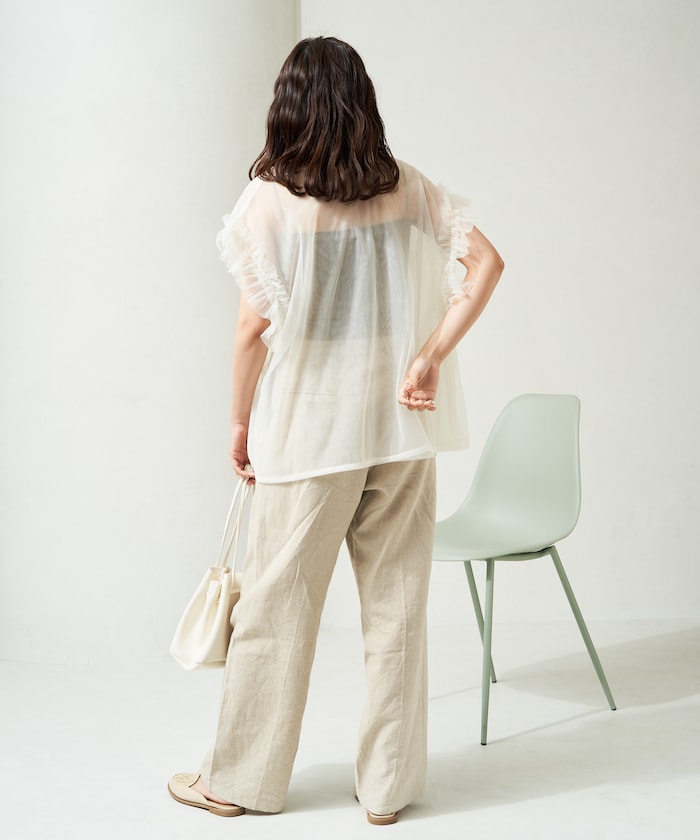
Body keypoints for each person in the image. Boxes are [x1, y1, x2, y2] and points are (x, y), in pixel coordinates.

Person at [168, 36, 503, 825]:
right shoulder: (407, 187)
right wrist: (428, 357)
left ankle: (241, 782)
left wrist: (239, 420)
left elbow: (253, 330)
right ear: (362, 101)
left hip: (308, 433)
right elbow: (487, 263)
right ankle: (388, 789)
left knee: (275, 613)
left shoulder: (269, 201)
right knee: (398, 611)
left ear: (287, 107)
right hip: (399, 430)